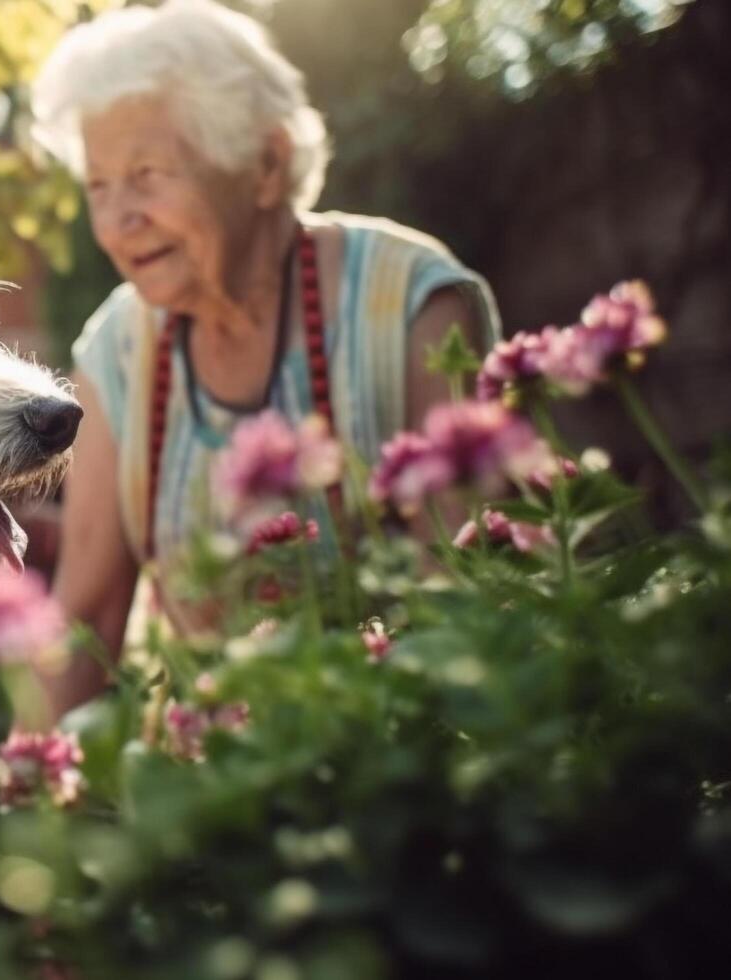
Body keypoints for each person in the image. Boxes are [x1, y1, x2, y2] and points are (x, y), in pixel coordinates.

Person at [28, 0, 500, 719]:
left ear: (265, 165)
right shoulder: (116, 349)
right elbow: (85, 607)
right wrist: (20, 787)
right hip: (215, 774)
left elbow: (464, 580)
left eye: (148, 173)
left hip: (411, 736)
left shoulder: (407, 301)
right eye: (99, 185)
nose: (118, 219)